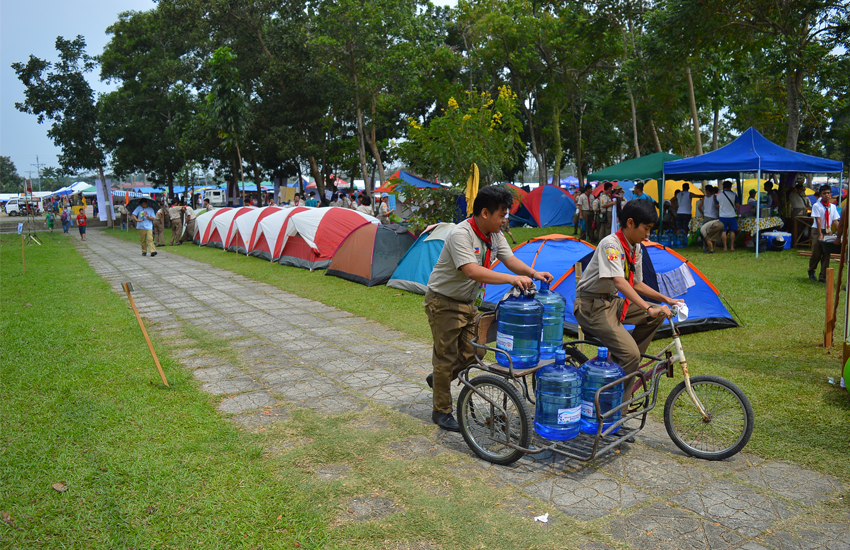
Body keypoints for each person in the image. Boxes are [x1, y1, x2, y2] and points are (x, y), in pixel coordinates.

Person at [424, 185, 554, 431]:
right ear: (485, 213)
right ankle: (441, 411)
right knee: (445, 357)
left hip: (467, 303)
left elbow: (510, 259)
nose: (505, 220)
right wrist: (511, 279)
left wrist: (533, 273)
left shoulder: (493, 234)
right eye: (502, 215)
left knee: (477, 352)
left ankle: (441, 378)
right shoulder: (460, 234)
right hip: (443, 302)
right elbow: (471, 271)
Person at [574, 199, 682, 401]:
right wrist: (647, 307)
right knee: (632, 353)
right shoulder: (611, 244)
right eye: (646, 228)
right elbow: (620, 282)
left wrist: (666, 299)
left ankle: (623, 360)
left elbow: (637, 284)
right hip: (591, 306)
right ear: (630, 223)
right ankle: (614, 409)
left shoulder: (635, 247)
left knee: (655, 317)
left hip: (611, 303)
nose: (648, 234)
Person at [808, 186, 841, 282]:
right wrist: (820, 234)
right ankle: (811, 270)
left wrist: (839, 234)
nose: (827, 195)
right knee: (816, 253)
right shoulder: (817, 206)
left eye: (828, 193)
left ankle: (823, 276)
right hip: (818, 231)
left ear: (831, 195)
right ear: (821, 195)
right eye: (824, 193)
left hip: (828, 231)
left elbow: (835, 221)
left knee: (827, 254)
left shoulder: (833, 207)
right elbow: (818, 220)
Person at [716, 180, 740, 251]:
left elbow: (717, 205)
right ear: (730, 186)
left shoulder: (719, 195)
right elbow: (737, 205)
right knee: (732, 231)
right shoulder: (734, 195)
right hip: (732, 215)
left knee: (724, 231)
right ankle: (732, 247)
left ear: (723, 186)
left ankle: (725, 247)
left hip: (722, 216)